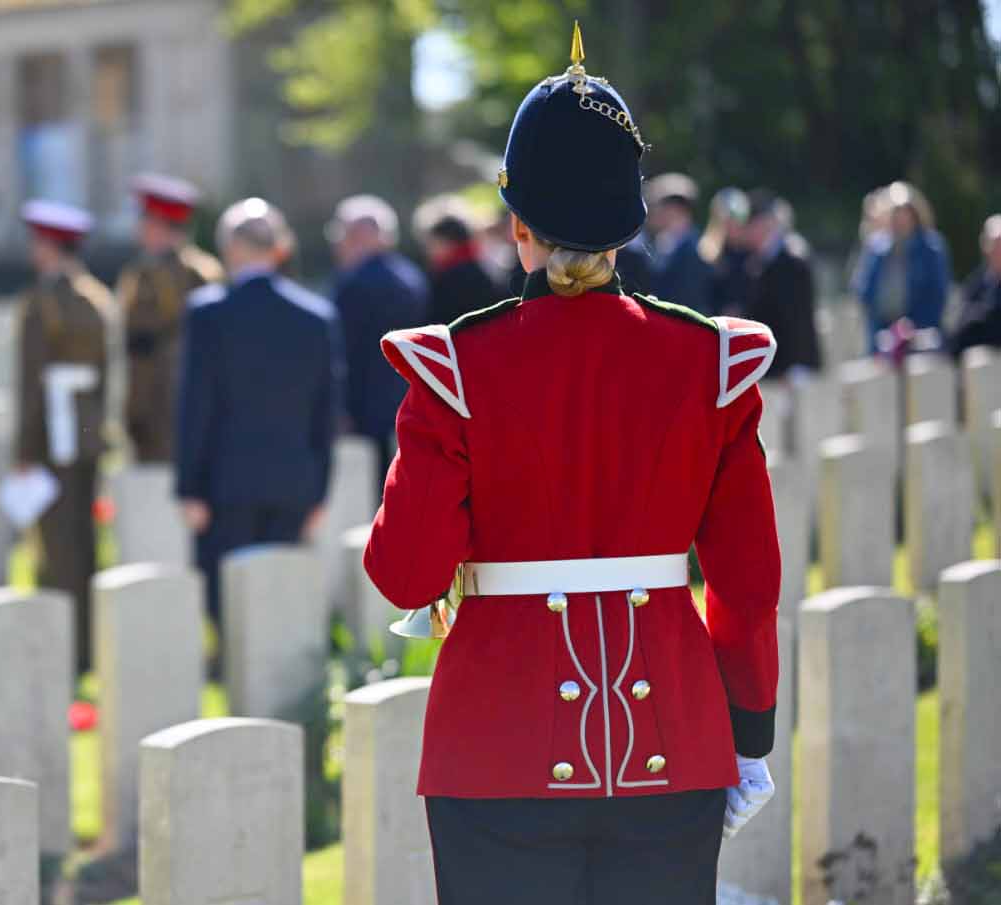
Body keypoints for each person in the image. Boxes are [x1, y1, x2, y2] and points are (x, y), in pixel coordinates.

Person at [364, 24, 780, 904]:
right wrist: (747, 730)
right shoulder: (709, 360)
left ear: (517, 223)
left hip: (492, 749)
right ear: (630, 226)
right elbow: (746, 585)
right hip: (674, 738)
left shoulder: (454, 368)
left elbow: (406, 572)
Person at [176, 198, 342, 619]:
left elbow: (196, 406)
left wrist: (190, 487)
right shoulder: (316, 318)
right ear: (279, 248)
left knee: (229, 608)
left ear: (230, 249)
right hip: (293, 483)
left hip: (223, 485)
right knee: (280, 607)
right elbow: (325, 415)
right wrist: (319, 490)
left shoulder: (209, 314)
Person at [15, 200, 112, 671]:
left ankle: (66, 649)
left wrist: (23, 449)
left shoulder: (43, 304)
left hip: (53, 434)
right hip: (87, 431)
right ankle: (87, 643)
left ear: (50, 246)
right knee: (83, 541)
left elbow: (31, 381)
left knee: (57, 546)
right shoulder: (96, 298)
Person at [114, 173, 224, 463]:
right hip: (147, 404)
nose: (140, 228)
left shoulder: (198, 273)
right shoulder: (140, 272)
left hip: (176, 403)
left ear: (161, 225)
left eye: (146, 221)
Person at [326, 195, 427, 494]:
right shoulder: (412, 279)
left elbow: (342, 348)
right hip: (409, 394)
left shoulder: (352, 283)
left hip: (362, 401)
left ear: (359, 236)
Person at [853, 181, 952, 347]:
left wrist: (912, 329)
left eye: (904, 213)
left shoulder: (931, 248)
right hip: (882, 336)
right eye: (895, 213)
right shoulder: (877, 248)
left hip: (921, 336)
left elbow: (938, 294)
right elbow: (863, 290)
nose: (900, 219)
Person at [741, 190, 822, 378]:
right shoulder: (760, 259)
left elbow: (797, 317)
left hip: (794, 366)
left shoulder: (792, 258)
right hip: (774, 365)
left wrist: (797, 363)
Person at [413, 194, 505, 325]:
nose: (428, 250)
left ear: (448, 241)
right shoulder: (482, 266)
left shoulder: (450, 276)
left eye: (432, 243)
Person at [645, 173, 715, 315]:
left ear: (676, 210)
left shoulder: (696, 249)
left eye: (660, 207)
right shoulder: (664, 243)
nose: (654, 212)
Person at [949, 215, 1001, 359]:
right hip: (977, 357)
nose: (998, 251)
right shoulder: (977, 282)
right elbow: (960, 320)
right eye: (995, 244)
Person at [700, 186, 752, 316]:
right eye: (726, 220)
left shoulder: (751, 253)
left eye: (735, 219)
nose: (732, 225)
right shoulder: (706, 253)